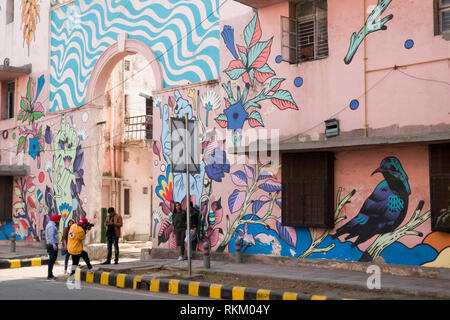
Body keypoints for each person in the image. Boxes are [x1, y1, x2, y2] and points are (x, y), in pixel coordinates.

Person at [45, 214, 61, 281]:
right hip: (52, 245)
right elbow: (51, 236)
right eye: (58, 220)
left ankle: (51, 274)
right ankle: (49, 276)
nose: (59, 221)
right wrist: (54, 245)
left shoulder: (51, 225)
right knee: (52, 260)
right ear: (56, 220)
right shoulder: (51, 226)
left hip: (51, 245)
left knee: (52, 260)